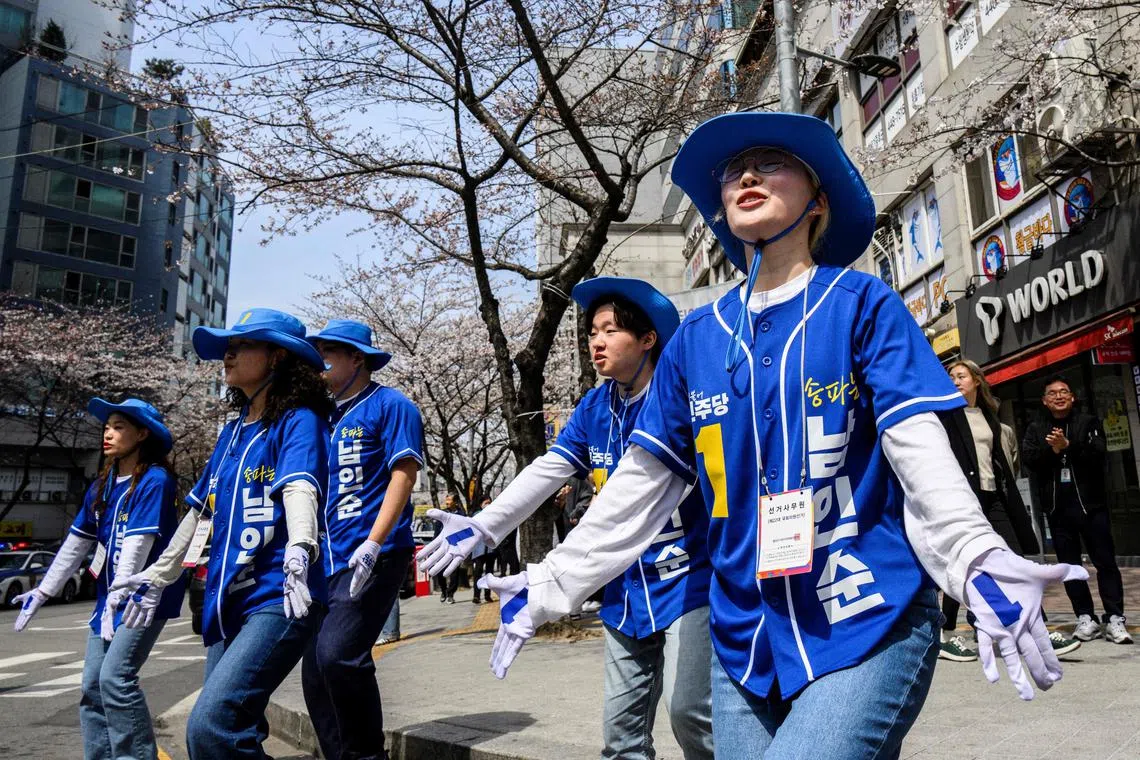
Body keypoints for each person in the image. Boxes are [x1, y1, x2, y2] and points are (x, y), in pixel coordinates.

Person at [465, 112, 1088, 757]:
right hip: (744, 636)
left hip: (863, 613)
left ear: (818, 201)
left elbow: (917, 444)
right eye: (734, 170)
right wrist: (552, 580)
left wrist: (973, 553)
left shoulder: (862, 304)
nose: (748, 175)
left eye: (773, 162)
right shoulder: (694, 341)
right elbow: (640, 486)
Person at [421, 276, 715, 760]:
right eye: (591, 333)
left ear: (647, 339)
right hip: (622, 586)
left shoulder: (676, 395)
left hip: (690, 580)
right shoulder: (596, 406)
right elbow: (549, 469)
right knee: (620, 738)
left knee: (691, 715)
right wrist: (485, 524)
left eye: (609, 330)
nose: (596, 342)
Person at [114, 308, 331, 760]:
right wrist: (160, 575)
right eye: (227, 347)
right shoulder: (231, 433)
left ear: (276, 357)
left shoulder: (298, 420)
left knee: (212, 726)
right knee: (225, 734)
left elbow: (299, 486)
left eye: (241, 346)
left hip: (279, 594)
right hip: (226, 598)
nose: (228, 355)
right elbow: (199, 512)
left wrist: (300, 548)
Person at [14, 398, 182, 760]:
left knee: (115, 679)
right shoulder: (101, 485)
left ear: (142, 434)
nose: (108, 432)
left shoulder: (155, 481)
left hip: (141, 600)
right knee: (92, 685)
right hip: (110, 600)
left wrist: (119, 600)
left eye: (119, 426)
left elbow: (138, 545)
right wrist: (43, 590)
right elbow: (77, 543)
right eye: (107, 426)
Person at [301, 319, 424, 760]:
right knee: (315, 671)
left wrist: (374, 542)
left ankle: (367, 756)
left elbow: (403, 473)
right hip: (325, 560)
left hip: (376, 553)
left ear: (357, 358)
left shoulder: (392, 405)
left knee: (338, 655)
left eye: (329, 353)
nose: (320, 362)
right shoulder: (320, 417)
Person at [940, 360, 1080, 661]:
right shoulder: (945, 417)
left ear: (977, 381)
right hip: (963, 499)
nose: (955, 380)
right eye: (951, 376)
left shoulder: (990, 419)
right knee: (959, 565)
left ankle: (1038, 627)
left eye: (961, 376)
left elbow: (1002, 463)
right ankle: (946, 634)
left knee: (1015, 561)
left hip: (994, 499)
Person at [1022, 374, 1132, 644]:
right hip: (1059, 511)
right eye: (1052, 393)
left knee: (1105, 563)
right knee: (1070, 568)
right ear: (1045, 401)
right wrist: (1054, 451)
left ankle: (1115, 618)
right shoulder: (1036, 429)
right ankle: (1085, 616)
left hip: (1092, 507)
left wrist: (1069, 446)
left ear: (1072, 397)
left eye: (1064, 391)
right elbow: (1031, 461)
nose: (1059, 396)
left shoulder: (1089, 422)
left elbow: (1099, 455)